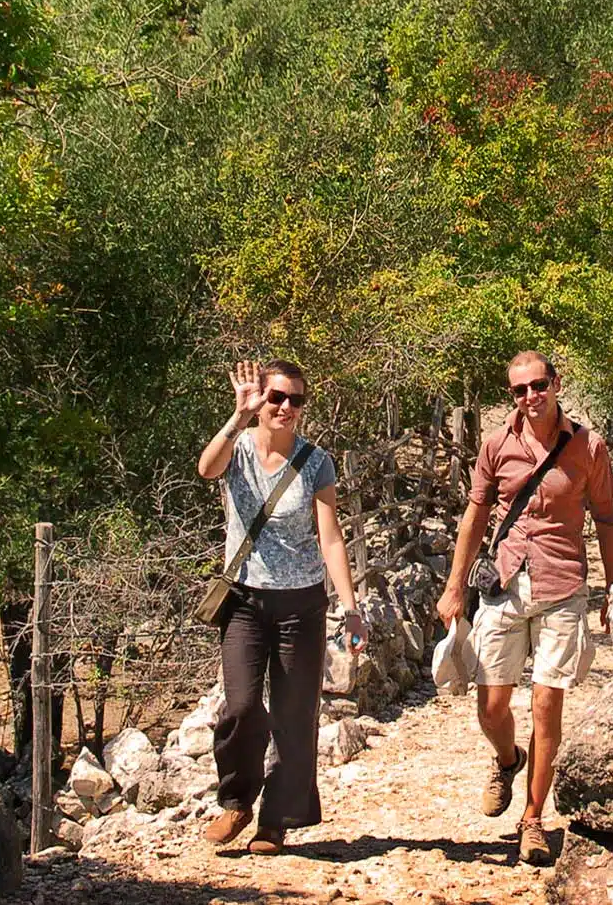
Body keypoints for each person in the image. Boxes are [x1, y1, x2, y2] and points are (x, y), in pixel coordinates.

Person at [437, 351, 613, 866]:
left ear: (555, 384)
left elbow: (606, 520)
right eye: (519, 390)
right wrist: (454, 587)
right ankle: (507, 758)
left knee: (546, 704)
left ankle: (533, 818)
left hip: (564, 587)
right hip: (504, 580)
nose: (530, 397)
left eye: (538, 386)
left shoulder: (589, 447)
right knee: (492, 707)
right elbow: (474, 517)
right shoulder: (497, 445)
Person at [195, 359, 367, 855]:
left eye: (295, 400)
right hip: (244, 600)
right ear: (261, 399)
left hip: (302, 604)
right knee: (243, 704)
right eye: (276, 397)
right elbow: (207, 469)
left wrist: (351, 610)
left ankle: (276, 820)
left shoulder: (317, 462)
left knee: (294, 714)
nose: (286, 408)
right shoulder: (240, 449)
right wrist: (238, 416)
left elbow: (331, 539)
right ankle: (236, 801)